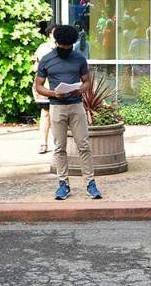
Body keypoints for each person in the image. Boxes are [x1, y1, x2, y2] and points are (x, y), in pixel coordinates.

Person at [35, 24, 102, 201]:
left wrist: (80, 89)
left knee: (84, 145)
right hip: (56, 106)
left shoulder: (79, 59)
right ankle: (63, 183)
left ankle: (90, 183)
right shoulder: (47, 60)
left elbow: (86, 82)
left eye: (69, 47)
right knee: (59, 147)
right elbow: (39, 86)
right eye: (63, 47)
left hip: (76, 105)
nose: (66, 50)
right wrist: (53, 93)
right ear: (56, 42)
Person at [32, 21, 56, 154]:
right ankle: (43, 143)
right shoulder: (43, 48)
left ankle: (59, 143)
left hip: (61, 87)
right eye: (54, 33)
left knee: (60, 115)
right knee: (46, 113)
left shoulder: (66, 48)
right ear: (49, 35)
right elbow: (35, 66)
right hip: (46, 86)